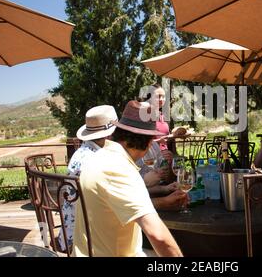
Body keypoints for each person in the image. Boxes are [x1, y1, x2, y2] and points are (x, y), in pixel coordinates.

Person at [72, 100, 183, 257]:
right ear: (150, 142)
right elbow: (159, 237)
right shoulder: (119, 168)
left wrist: (163, 200)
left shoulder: (99, 157)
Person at [58, 105, 117, 252]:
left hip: (68, 234)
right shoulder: (98, 160)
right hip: (85, 242)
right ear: (110, 135)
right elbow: (115, 202)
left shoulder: (82, 153)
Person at [141, 83, 170, 150]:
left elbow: (165, 139)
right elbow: (139, 141)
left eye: (163, 96)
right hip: (150, 158)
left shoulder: (162, 116)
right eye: (158, 96)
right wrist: (158, 141)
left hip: (164, 158)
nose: (161, 99)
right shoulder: (145, 116)